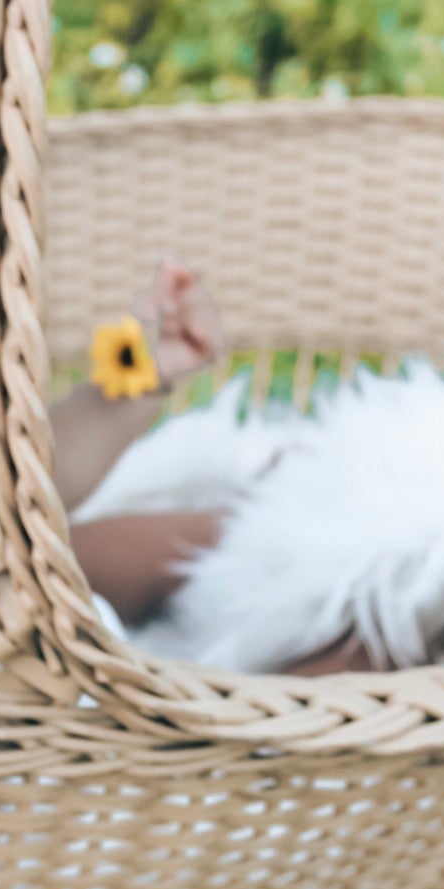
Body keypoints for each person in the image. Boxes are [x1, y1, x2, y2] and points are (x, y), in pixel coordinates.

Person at [50, 260, 374, 677]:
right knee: (371, 650)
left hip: (13, 579)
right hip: (35, 675)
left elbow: (17, 497)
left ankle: (256, 526)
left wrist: (143, 375)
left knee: (50, 546)